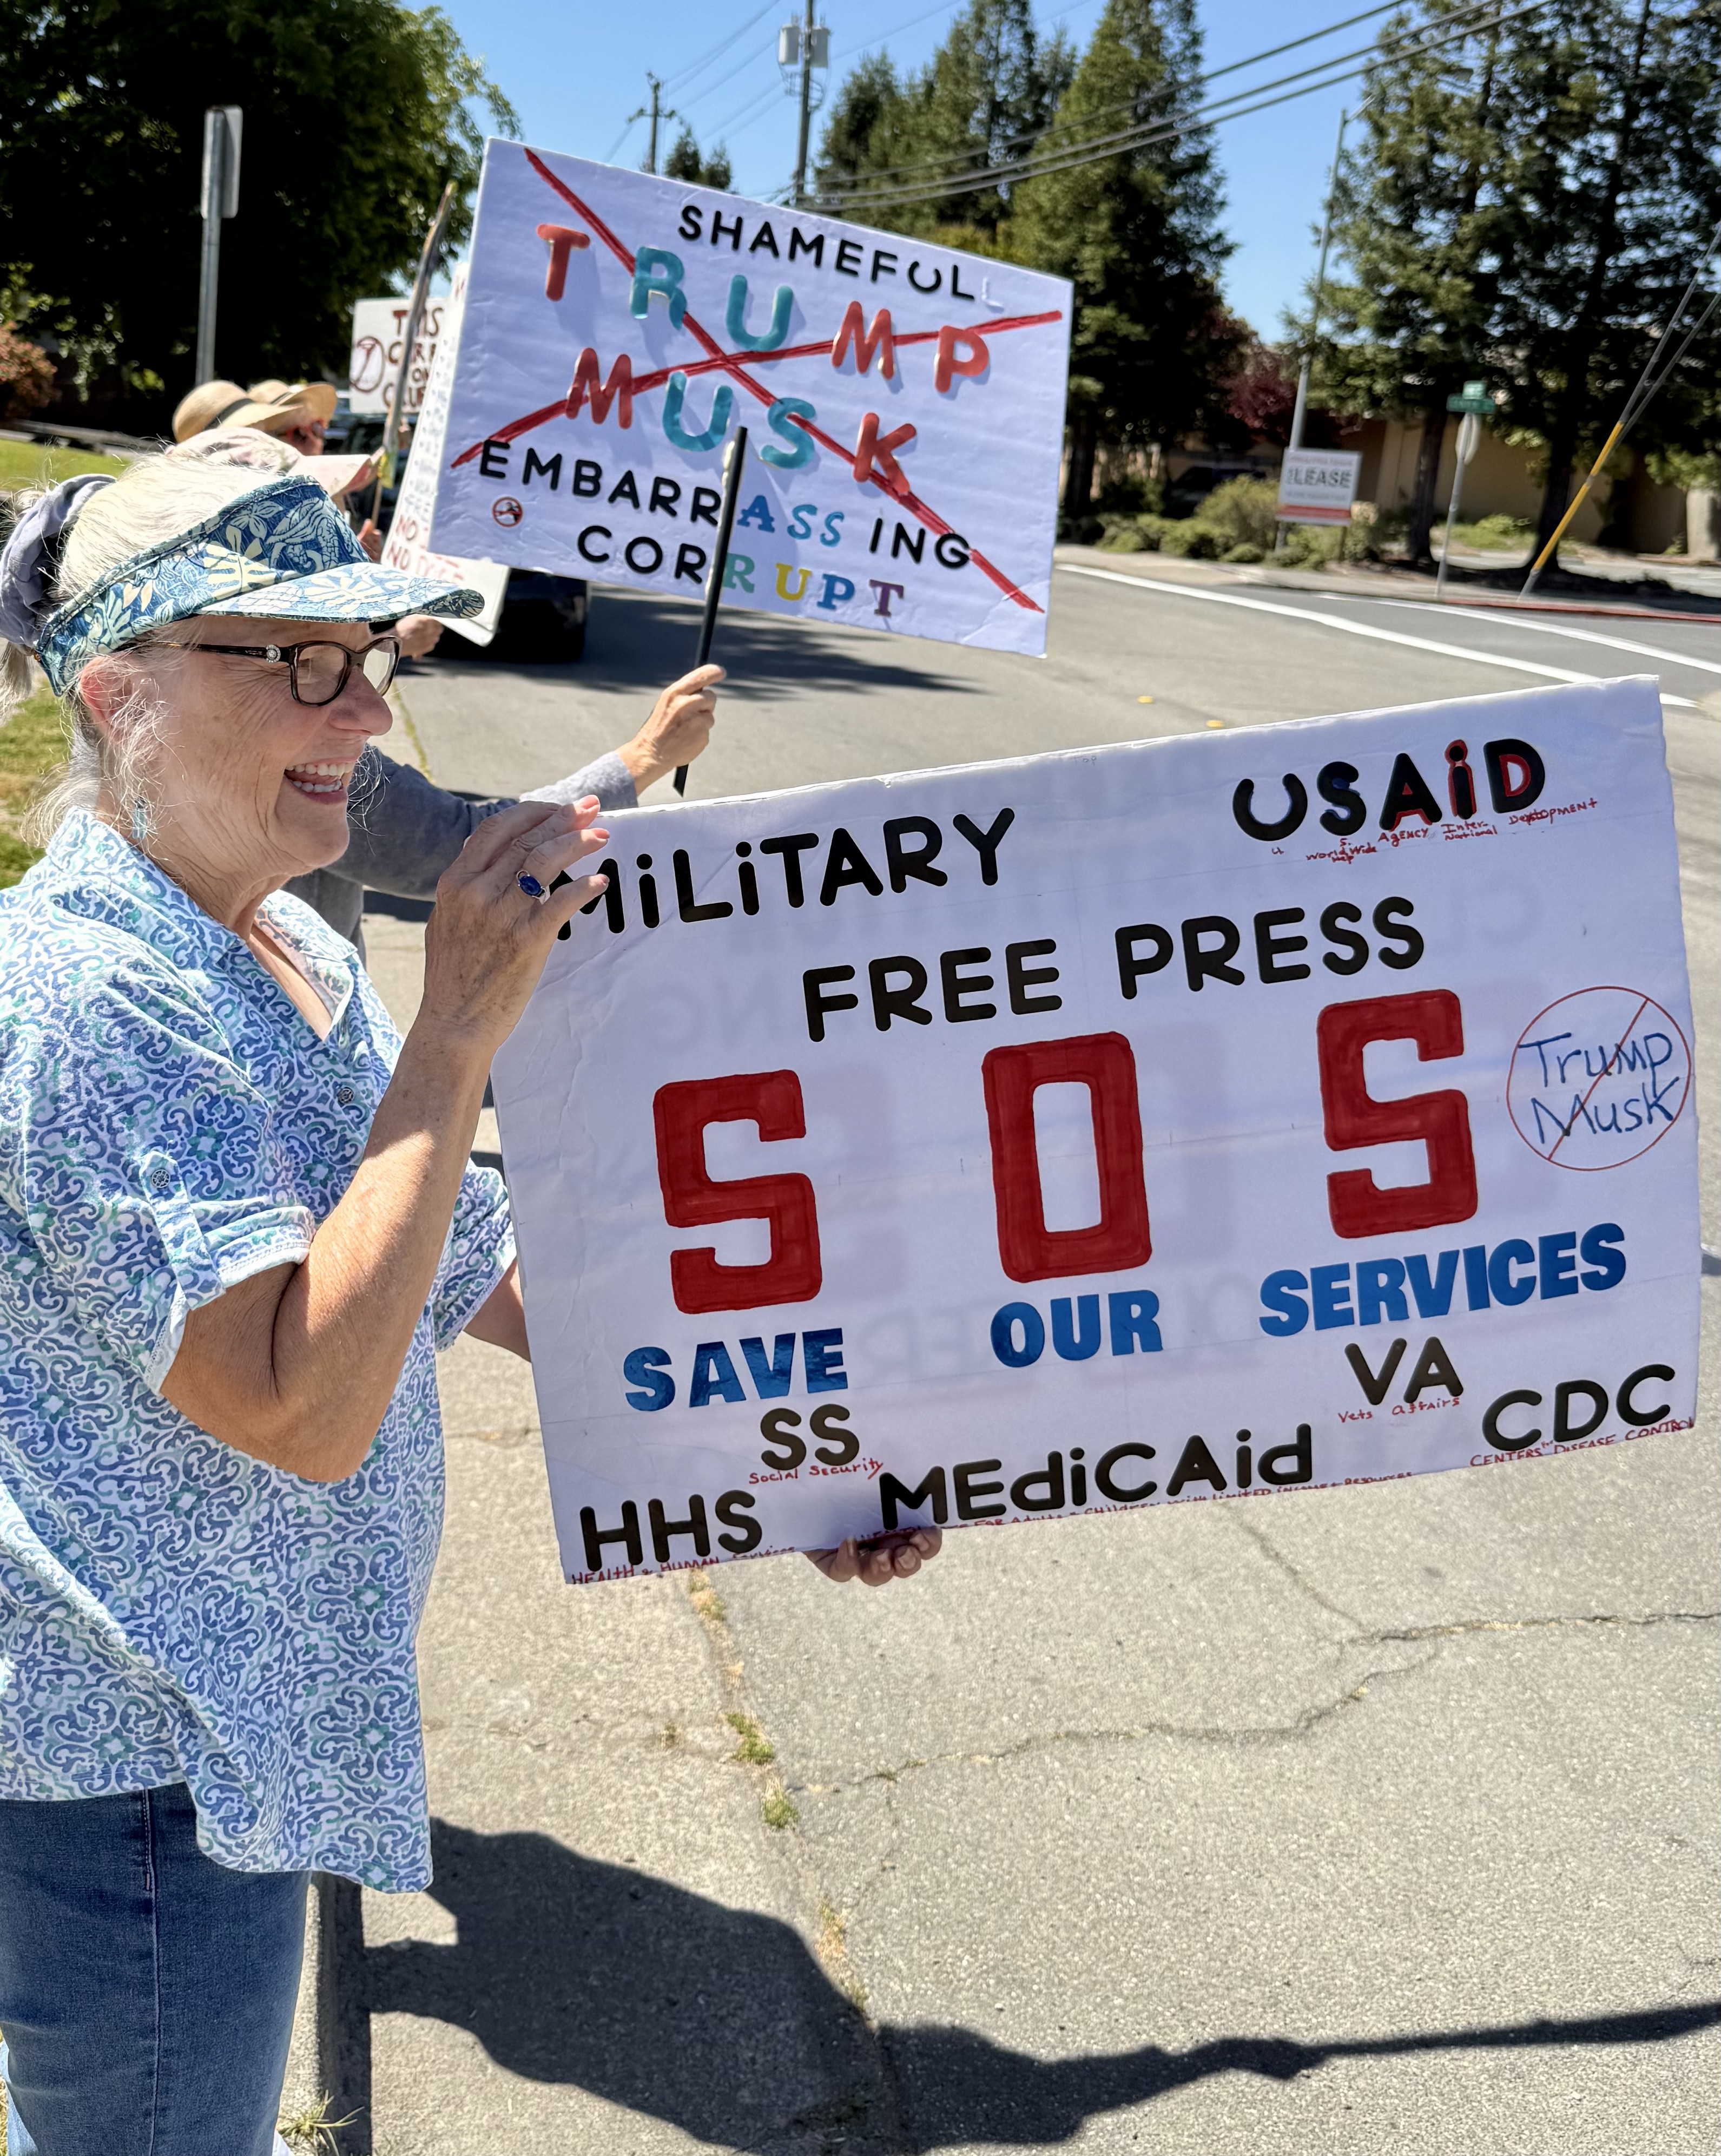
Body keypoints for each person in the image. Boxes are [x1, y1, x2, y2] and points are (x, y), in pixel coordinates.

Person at [0, 459, 938, 2156]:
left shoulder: (279, 939)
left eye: (367, 662)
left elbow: (460, 1248)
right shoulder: (79, 994)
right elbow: (299, 1408)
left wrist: (777, 1463)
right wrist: (456, 1039)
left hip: (229, 1743)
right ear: (120, 690)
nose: (365, 712)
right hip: (134, 1790)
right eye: (302, 662)